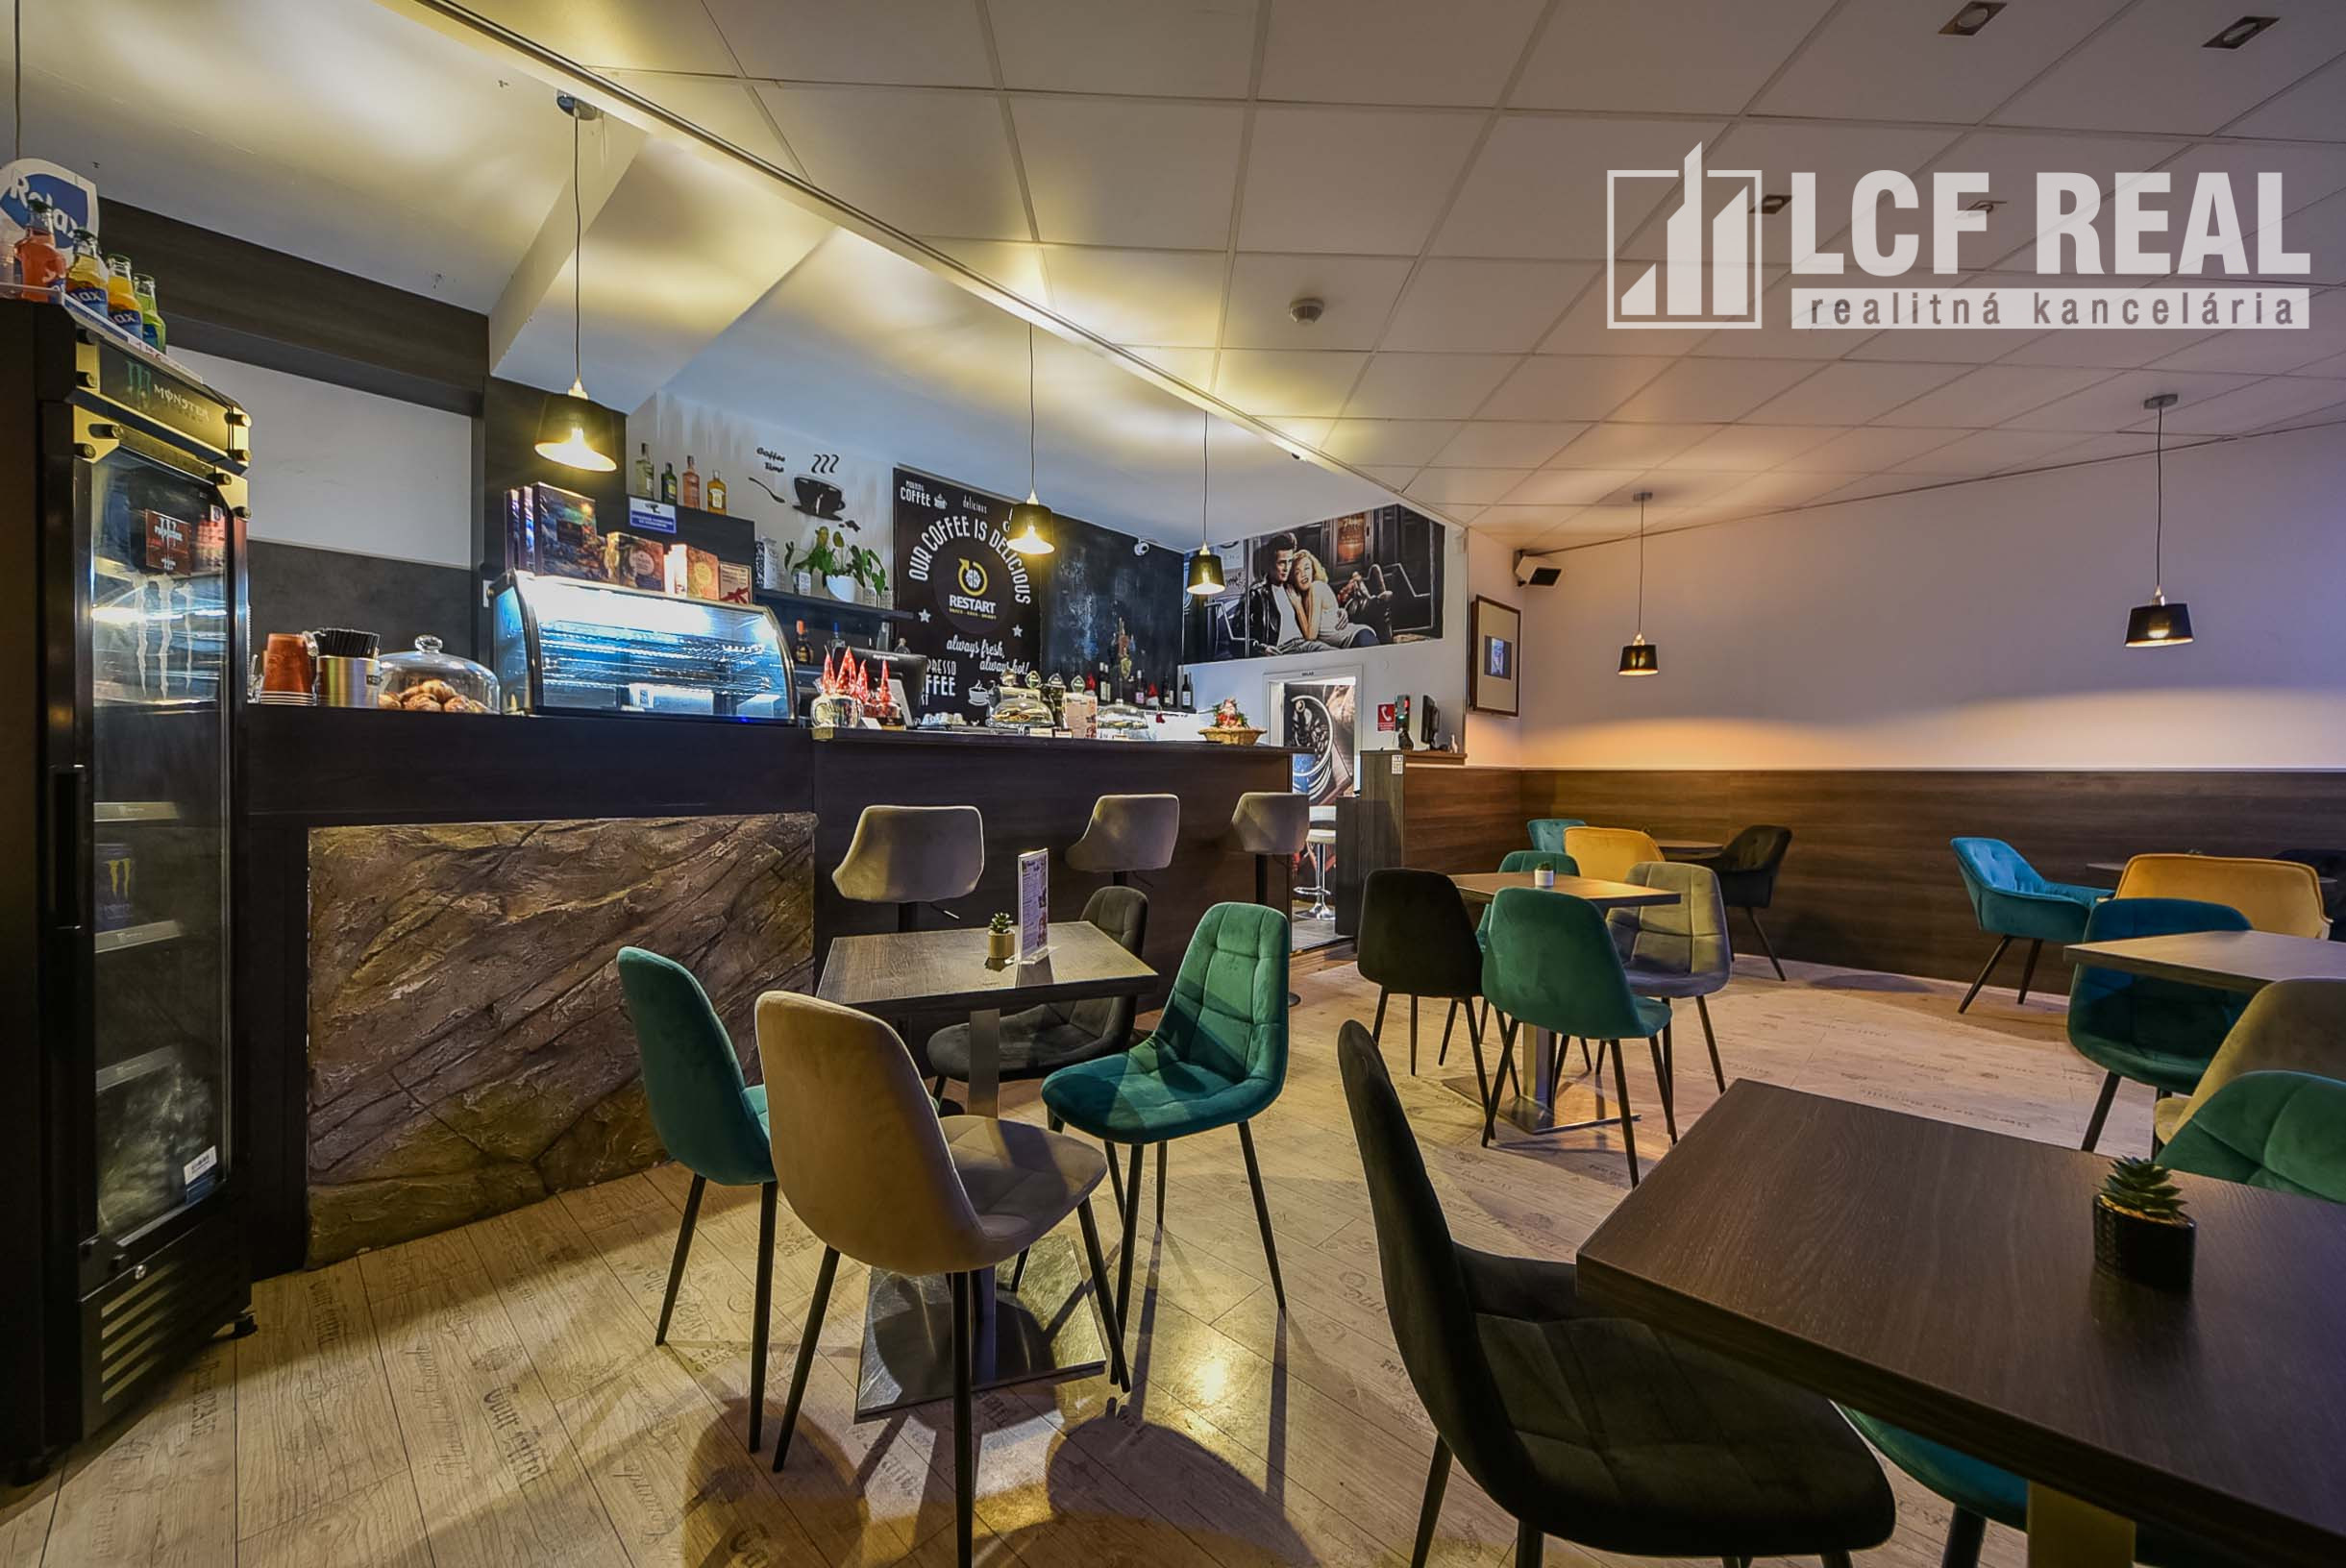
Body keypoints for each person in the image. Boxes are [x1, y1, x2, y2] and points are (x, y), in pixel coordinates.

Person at [1287, 549, 1379, 648]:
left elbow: (1311, 636)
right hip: (1349, 644)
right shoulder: (1301, 598)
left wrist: (1297, 605)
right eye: (1297, 572)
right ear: (1293, 578)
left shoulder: (1316, 587)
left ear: (1313, 571)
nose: (1303, 574)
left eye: (1307, 568)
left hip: (1359, 638)